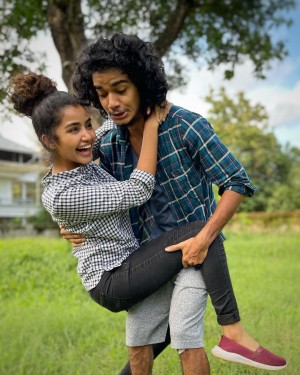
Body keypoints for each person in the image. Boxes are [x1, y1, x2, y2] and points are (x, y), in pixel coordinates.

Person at [7, 72, 286, 375]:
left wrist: (150, 101)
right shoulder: (63, 192)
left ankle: (232, 334)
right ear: (48, 140)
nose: (87, 135)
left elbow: (114, 122)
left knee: (155, 339)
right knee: (204, 232)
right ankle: (233, 331)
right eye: (74, 129)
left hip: (136, 258)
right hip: (113, 277)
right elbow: (137, 189)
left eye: (88, 124)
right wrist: (152, 125)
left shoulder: (89, 149)